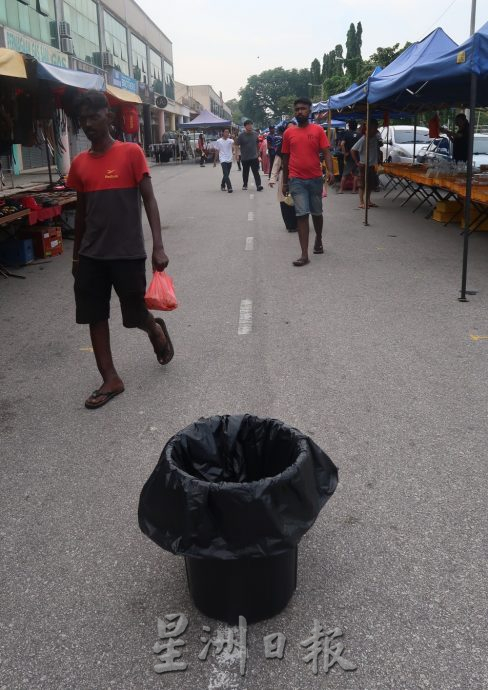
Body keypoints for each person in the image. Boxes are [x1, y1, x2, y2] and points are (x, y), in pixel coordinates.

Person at [67, 90, 173, 410]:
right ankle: (110, 378)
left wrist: (158, 246)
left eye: (93, 117)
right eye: (83, 119)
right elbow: (82, 213)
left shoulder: (131, 153)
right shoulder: (80, 164)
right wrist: (75, 256)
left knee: (133, 317)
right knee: (94, 316)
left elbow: (149, 200)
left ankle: (155, 330)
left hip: (127, 253)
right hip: (90, 256)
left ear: (109, 117)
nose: (87, 124)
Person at [281, 97, 335, 266]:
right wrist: (284, 182)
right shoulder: (288, 133)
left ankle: (318, 239)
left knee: (317, 213)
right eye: (297, 109)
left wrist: (331, 170)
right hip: (296, 179)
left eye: (303, 108)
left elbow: (326, 152)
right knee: (301, 215)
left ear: (309, 111)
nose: (299, 112)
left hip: (315, 179)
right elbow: (285, 158)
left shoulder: (318, 130)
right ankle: (304, 254)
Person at [269, 121, 297, 232]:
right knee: (286, 201)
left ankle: (300, 223)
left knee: (300, 201)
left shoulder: (301, 142)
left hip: (300, 177)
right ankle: (290, 225)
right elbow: (277, 163)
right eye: (289, 129)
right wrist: (272, 178)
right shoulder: (283, 145)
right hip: (285, 177)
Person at [350, 118, 381, 209]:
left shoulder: (375, 138)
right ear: (369, 128)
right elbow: (353, 150)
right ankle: (361, 202)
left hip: (372, 165)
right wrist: (357, 162)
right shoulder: (364, 139)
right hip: (364, 165)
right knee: (362, 185)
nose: (376, 130)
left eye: (376, 128)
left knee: (370, 185)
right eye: (374, 128)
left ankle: (368, 201)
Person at [237, 120, 263, 191]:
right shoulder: (241, 135)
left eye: (251, 125)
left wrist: (258, 154)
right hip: (245, 157)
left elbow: (257, 144)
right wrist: (237, 154)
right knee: (245, 172)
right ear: (245, 126)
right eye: (248, 125)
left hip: (254, 157)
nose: (250, 126)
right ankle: (245, 184)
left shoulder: (255, 134)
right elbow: (236, 145)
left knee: (256, 172)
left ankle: (259, 185)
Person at [338, 120, 359, 194]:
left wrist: (344, 152)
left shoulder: (346, 134)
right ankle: (354, 190)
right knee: (356, 175)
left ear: (349, 126)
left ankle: (341, 190)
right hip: (357, 157)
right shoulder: (359, 135)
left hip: (349, 157)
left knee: (345, 174)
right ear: (356, 126)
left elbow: (342, 144)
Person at [213, 127, 234, 192]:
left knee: (226, 174)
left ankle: (222, 185)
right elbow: (217, 151)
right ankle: (229, 187)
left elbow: (233, 148)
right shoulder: (218, 141)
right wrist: (215, 161)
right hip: (222, 159)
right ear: (222, 133)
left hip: (229, 159)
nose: (227, 133)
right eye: (226, 132)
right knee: (225, 173)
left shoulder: (231, 141)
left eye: (228, 132)